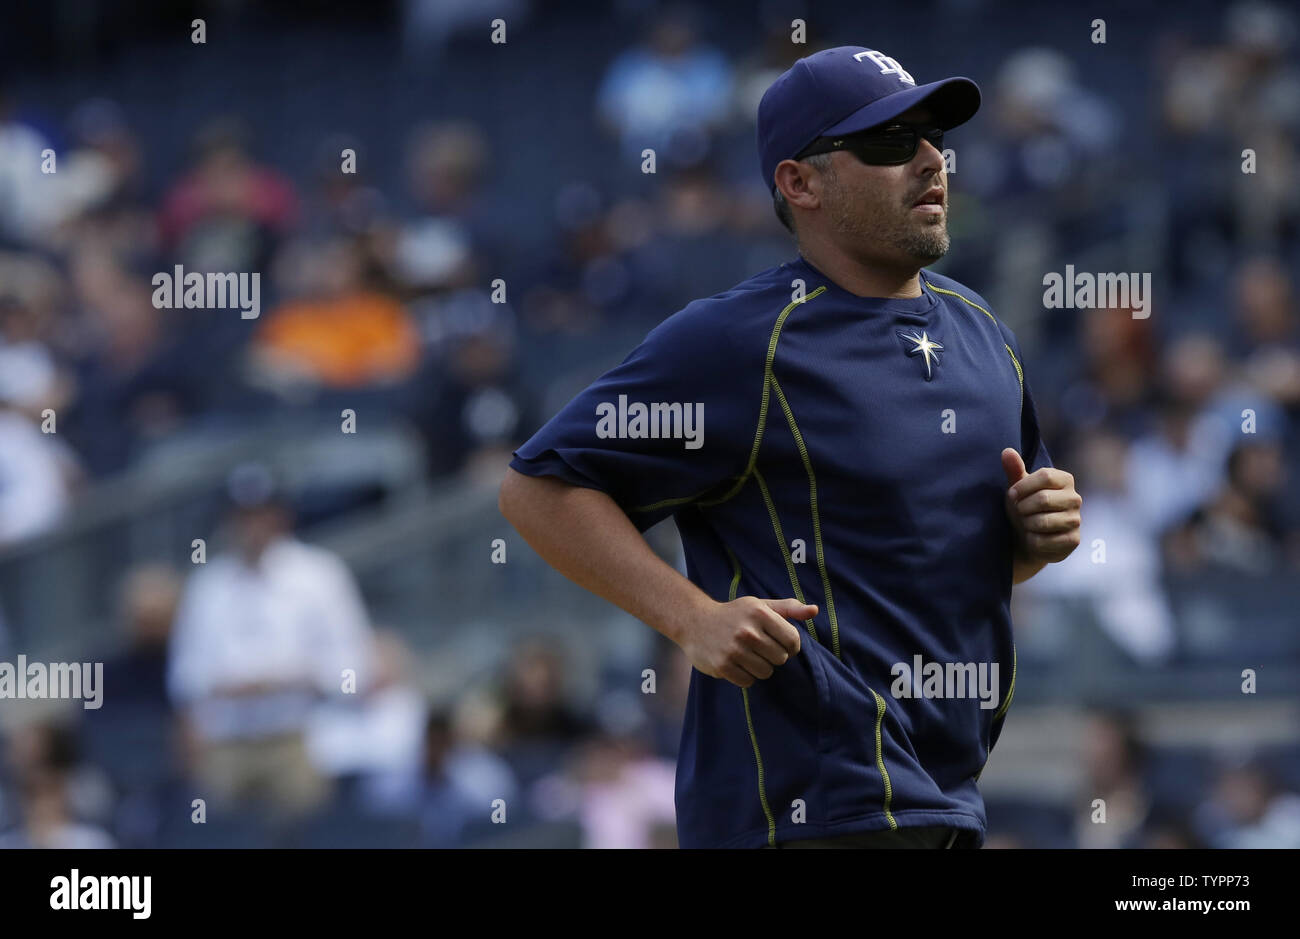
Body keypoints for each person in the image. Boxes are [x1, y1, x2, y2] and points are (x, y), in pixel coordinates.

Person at [499, 46, 1082, 849]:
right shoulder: (739, 341)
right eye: (886, 142)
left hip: (944, 798)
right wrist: (690, 617)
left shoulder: (985, 333)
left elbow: (970, 558)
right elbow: (536, 488)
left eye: (933, 136)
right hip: (799, 808)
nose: (928, 159)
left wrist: (1034, 536)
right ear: (800, 183)